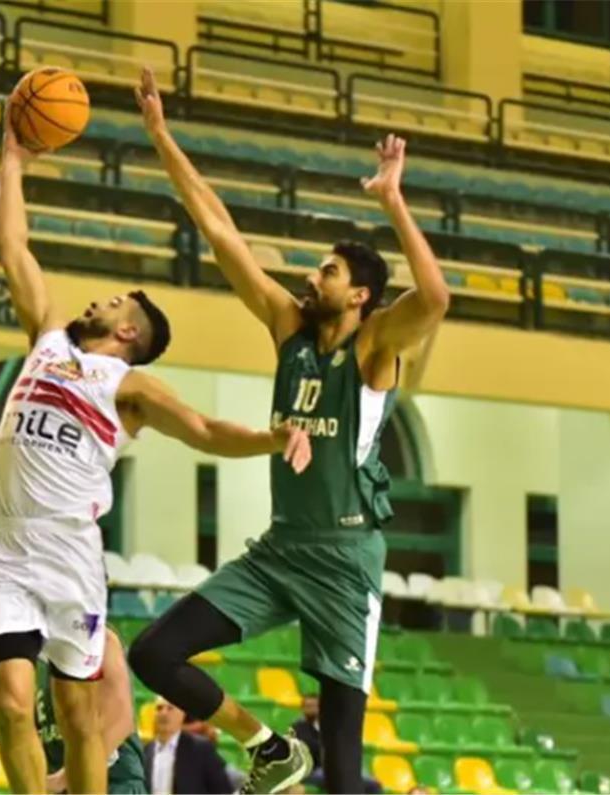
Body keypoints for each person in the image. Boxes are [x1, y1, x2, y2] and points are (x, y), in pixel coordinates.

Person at [127, 67, 450, 795]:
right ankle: (268, 745)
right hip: (280, 549)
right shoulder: (289, 329)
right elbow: (219, 230)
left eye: (328, 271)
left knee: (343, 769)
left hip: (344, 559)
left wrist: (393, 201)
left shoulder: (373, 348)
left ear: (359, 294)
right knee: (154, 653)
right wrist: (160, 136)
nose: (313, 276)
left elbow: (434, 298)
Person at [0, 124, 312, 794]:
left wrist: (270, 438)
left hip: (68, 550)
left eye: (113, 303)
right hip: (3, 545)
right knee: (12, 705)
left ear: (128, 330)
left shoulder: (129, 387)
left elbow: (205, 430)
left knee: (77, 712)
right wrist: (11, 160)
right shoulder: (46, 341)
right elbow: (13, 247)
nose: (95, 301)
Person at [36, 628, 147, 794]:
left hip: (114, 781)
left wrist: (65, 777)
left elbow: (123, 720)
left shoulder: (99, 638)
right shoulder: (35, 656)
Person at [291, 695, 383, 794]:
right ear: (303, 709)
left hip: (337, 767)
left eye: (314, 706)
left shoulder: (330, 726)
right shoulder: (298, 728)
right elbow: (311, 747)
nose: (312, 709)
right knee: (343, 780)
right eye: (308, 706)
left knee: (373, 784)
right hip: (313, 770)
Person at [143, 697, 233, 795]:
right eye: (159, 708)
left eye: (170, 708)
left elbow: (222, 790)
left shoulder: (201, 749)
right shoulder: (145, 752)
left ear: (182, 714)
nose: (163, 713)